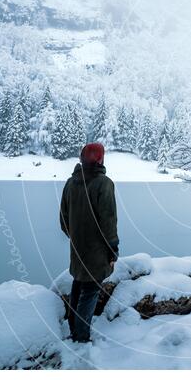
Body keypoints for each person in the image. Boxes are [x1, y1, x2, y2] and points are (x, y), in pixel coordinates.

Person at [59, 142, 118, 343]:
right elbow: (108, 221)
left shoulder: (70, 183)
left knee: (78, 284)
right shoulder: (104, 183)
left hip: (77, 249)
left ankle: (73, 329)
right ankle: (81, 337)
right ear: (101, 159)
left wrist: (76, 237)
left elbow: (63, 219)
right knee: (91, 290)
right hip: (97, 251)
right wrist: (112, 250)